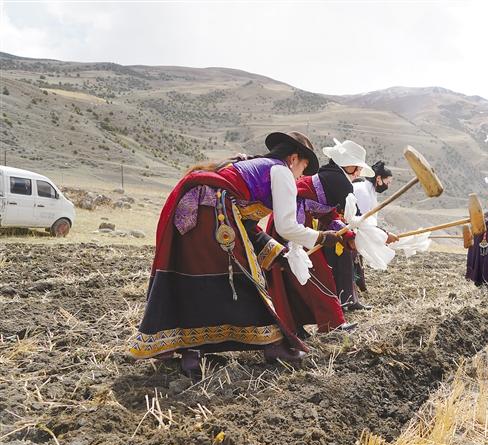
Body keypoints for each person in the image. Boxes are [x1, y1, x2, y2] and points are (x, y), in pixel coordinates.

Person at [131, 131, 340, 374]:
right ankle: (273, 345)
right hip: (215, 217)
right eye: (303, 167)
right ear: (293, 158)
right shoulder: (281, 171)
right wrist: (321, 237)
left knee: (194, 280)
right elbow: (286, 226)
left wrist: (278, 254)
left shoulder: (250, 167)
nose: (301, 175)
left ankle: (192, 352)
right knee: (244, 279)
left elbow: (247, 226)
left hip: (198, 214)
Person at [311, 139, 375, 311]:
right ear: (346, 164)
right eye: (357, 167)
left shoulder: (331, 174)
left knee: (347, 262)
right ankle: (339, 303)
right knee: (334, 264)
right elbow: (356, 214)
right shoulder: (339, 180)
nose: (359, 172)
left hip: (334, 224)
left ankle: (348, 299)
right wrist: (378, 233)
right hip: (326, 226)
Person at [352, 160, 399, 293]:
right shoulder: (363, 192)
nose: (388, 186)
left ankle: (357, 289)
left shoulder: (369, 191)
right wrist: (384, 235)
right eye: (387, 182)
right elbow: (362, 221)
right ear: (378, 179)